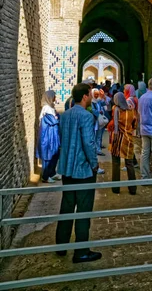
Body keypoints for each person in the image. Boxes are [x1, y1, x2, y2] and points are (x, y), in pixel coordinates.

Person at [55, 83, 102, 264]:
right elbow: (88, 143)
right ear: (84, 96)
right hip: (83, 170)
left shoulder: (65, 115)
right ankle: (81, 251)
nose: (91, 97)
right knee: (83, 210)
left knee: (67, 207)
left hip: (67, 168)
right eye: (89, 94)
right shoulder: (86, 116)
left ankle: (61, 245)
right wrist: (94, 164)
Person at [108, 92, 137, 195]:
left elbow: (115, 126)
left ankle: (115, 188)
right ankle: (133, 189)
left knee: (116, 163)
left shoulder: (116, 109)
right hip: (128, 139)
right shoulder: (131, 109)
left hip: (118, 139)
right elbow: (135, 124)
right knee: (130, 164)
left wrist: (114, 139)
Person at [36, 90, 61, 183]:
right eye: (54, 96)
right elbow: (54, 121)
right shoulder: (46, 109)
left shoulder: (51, 107)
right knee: (48, 156)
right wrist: (56, 118)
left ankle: (52, 173)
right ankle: (45, 177)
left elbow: (57, 118)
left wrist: (57, 117)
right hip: (47, 137)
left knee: (55, 154)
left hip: (53, 136)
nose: (55, 98)